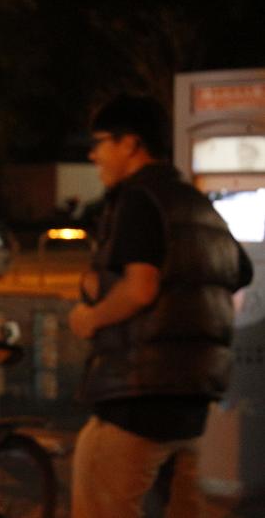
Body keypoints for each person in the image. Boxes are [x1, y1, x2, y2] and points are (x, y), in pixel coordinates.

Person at [68, 94, 253, 517]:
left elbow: (140, 289)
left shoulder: (139, 198)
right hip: (194, 397)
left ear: (131, 143)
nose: (94, 155)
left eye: (100, 142)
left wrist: (89, 317)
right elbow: (238, 274)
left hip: (137, 394)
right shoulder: (196, 202)